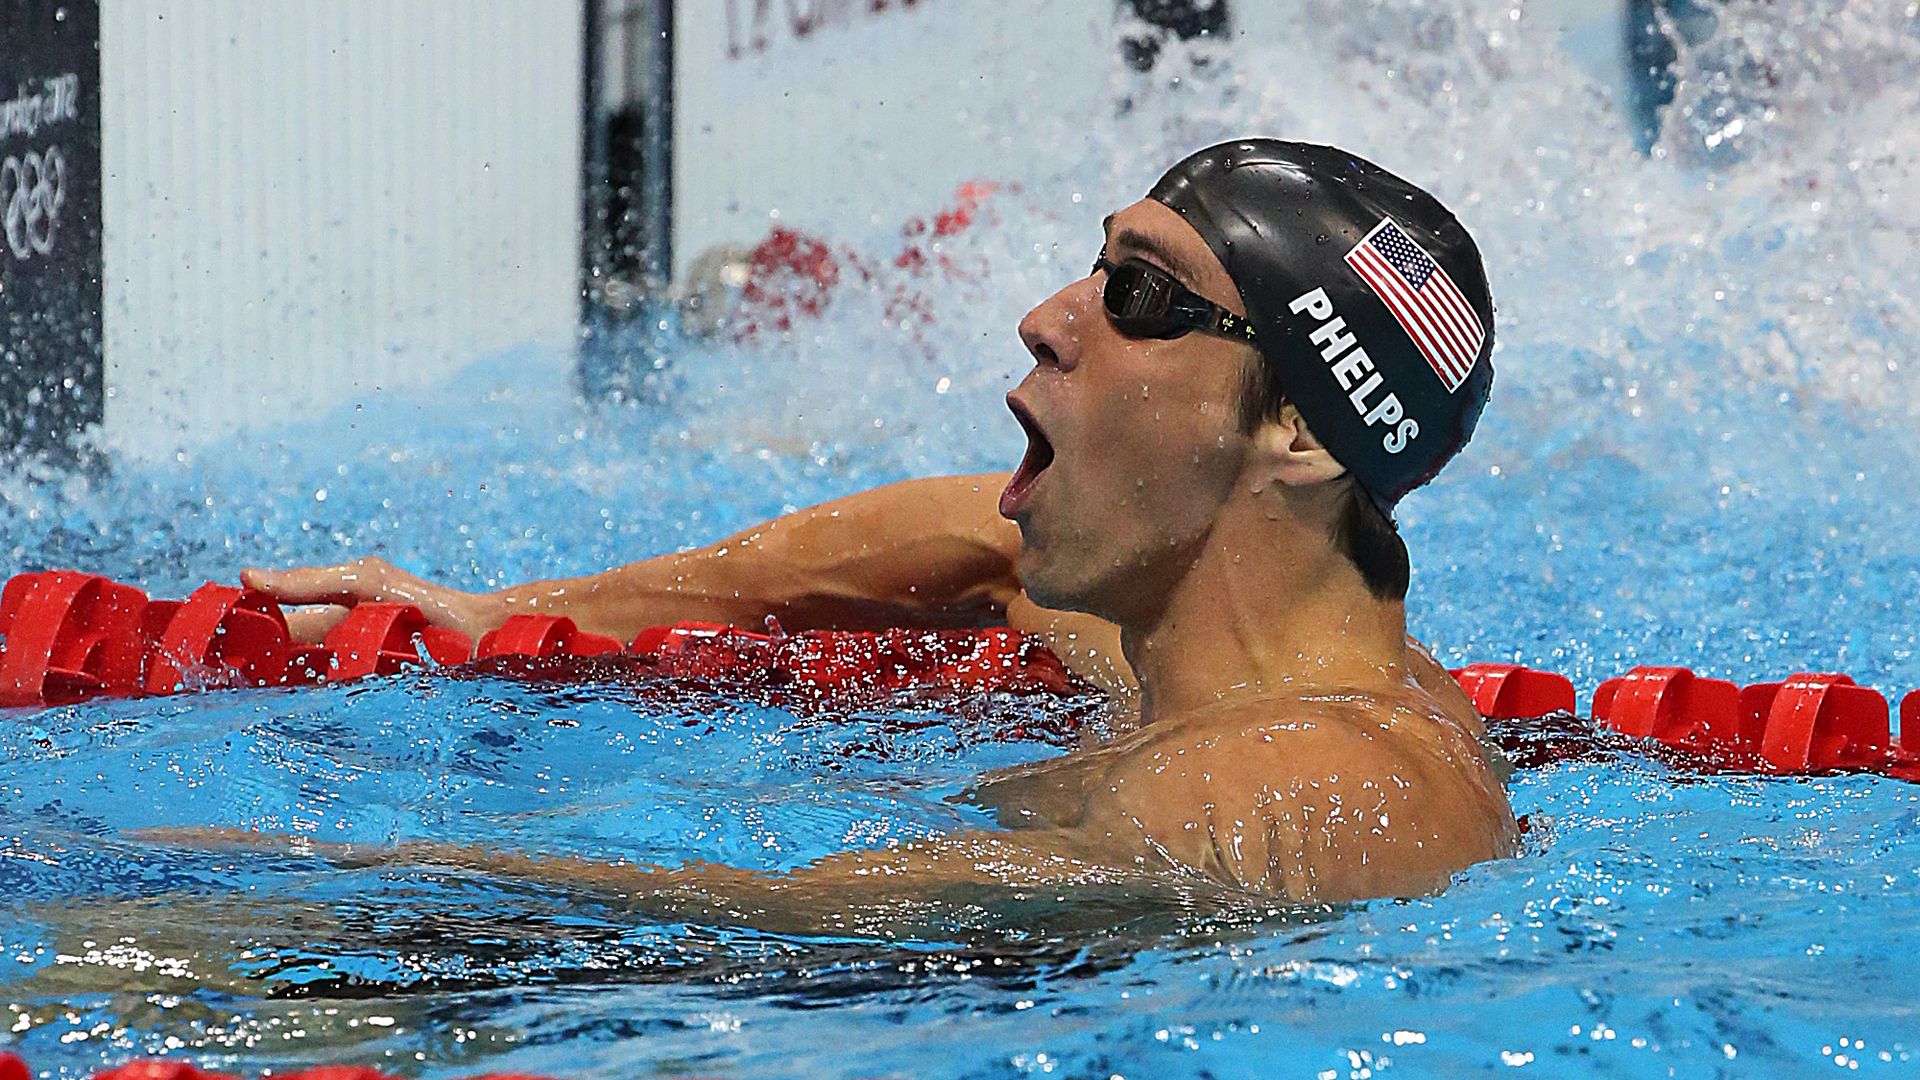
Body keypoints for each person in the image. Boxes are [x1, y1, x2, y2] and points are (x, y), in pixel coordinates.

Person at [234, 140, 1517, 931]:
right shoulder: (1206, 650)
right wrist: (515, 612)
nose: (1042, 318)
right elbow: (975, 536)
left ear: (1298, 428)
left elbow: (797, 931)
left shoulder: (1295, 793)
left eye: (1138, 295)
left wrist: (334, 883)